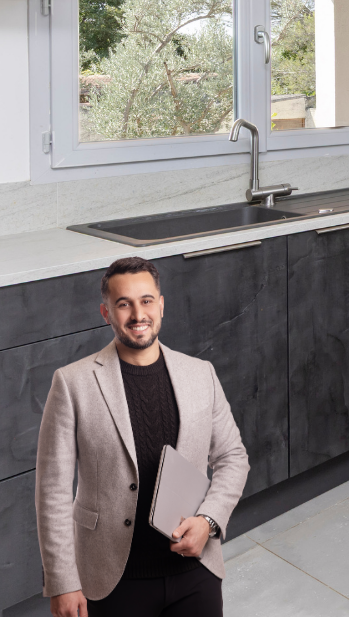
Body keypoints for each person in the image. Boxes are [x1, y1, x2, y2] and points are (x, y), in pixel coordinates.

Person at [35, 256, 249, 616]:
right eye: (124, 304)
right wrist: (63, 582)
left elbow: (232, 458)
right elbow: (52, 490)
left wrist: (209, 521)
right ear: (105, 313)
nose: (138, 315)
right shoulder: (72, 383)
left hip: (195, 570)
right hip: (112, 579)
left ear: (161, 305)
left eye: (146, 301)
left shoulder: (200, 374)